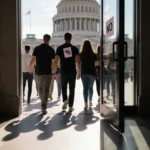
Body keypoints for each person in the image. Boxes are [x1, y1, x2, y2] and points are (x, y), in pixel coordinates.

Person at [54, 32, 81, 112]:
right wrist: (79, 72)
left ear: (64, 38)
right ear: (71, 38)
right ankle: (70, 106)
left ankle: (65, 99)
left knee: (64, 87)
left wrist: (55, 72)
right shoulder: (75, 48)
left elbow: (55, 61)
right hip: (72, 71)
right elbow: (78, 62)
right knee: (72, 89)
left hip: (63, 71)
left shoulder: (59, 48)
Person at [29, 34, 55, 115]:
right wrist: (54, 71)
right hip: (48, 72)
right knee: (46, 89)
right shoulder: (51, 49)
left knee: (39, 87)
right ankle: (44, 106)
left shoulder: (37, 48)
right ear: (49, 40)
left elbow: (33, 59)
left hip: (39, 71)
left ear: (43, 39)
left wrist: (30, 68)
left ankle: (42, 101)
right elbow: (53, 62)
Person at [80, 40, 97, 111]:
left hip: (84, 73)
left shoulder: (81, 54)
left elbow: (78, 63)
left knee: (85, 88)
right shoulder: (94, 54)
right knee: (90, 87)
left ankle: (85, 103)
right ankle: (90, 100)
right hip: (92, 73)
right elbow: (97, 63)